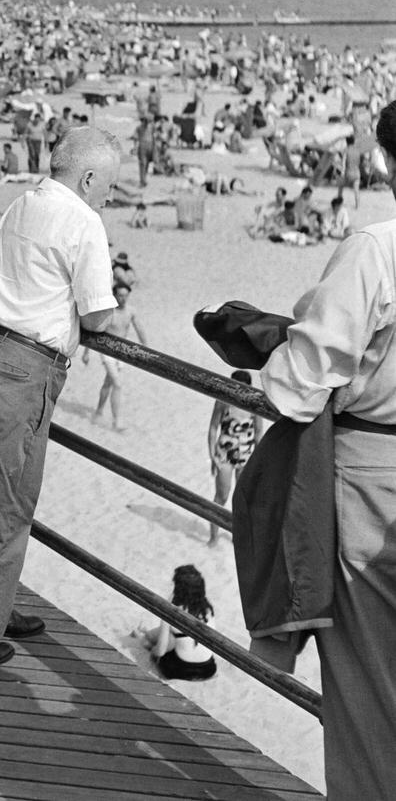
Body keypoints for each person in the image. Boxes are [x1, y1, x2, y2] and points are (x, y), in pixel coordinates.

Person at [0, 126, 120, 670]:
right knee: (0, 509)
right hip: (17, 370)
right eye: (108, 185)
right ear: (86, 178)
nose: (109, 196)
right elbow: (98, 313)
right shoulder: (84, 220)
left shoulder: (20, 204)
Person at [258, 98, 396, 801]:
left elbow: (297, 386)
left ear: (381, 161)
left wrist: (281, 339)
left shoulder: (377, 247)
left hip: (375, 473)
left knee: (371, 688)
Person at [205, 368, 265, 545]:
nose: (238, 391)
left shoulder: (254, 406)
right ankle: (213, 536)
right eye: (235, 386)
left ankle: (237, 535)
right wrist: (212, 455)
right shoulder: (223, 402)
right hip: (224, 454)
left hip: (246, 455)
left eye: (242, 388)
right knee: (222, 496)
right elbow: (213, 428)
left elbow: (259, 433)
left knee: (242, 500)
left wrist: (260, 459)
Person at [86, 282, 147, 431]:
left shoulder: (131, 311)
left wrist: (146, 349)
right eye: (120, 295)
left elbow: (139, 328)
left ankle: (99, 411)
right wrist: (87, 352)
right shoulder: (109, 312)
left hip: (121, 353)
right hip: (107, 352)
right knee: (117, 384)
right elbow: (96, 331)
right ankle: (117, 421)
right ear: (115, 295)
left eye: (126, 295)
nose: (123, 299)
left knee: (108, 383)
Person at [148, 565, 217, 681]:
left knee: (165, 637)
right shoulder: (207, 609)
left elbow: (160, 651)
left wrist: (152, 652)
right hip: (208, 669)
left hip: (181, 669)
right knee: (176, 636)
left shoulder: (173, 609)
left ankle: (144, 638)